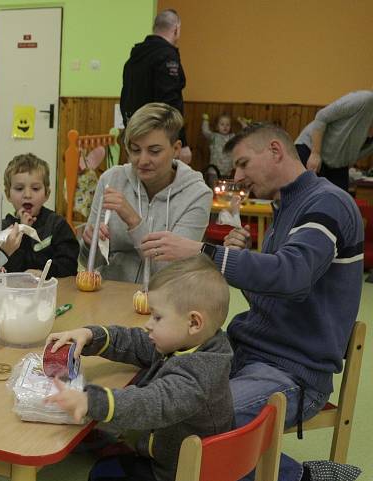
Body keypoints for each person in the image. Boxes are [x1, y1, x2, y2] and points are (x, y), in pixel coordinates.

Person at [140, 123, 364, 481]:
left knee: (191, 423)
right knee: (151, 393)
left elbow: (292, 276)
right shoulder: (286, 206)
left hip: (292, 369)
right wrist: (240, 262)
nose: (238, 176)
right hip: (248, 352)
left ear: (275, 150)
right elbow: (277, 296)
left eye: (243, 164)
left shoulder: (327, 203)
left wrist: (204, 251)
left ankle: (304, 477)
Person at [46, 255, 234, 481]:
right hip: (165, 456)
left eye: (157, 317)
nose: (148, 324)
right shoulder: (191, 343)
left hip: (178, 474)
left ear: (194, 323)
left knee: (99, 474)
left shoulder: (200, 374)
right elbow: (136, 342)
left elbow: (153, 403)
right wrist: (90, 335)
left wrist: (91, 401)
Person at [79, 103, 211, 283]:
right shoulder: (111, 180)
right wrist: (89, 244)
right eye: (135, 150)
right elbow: (90, 263)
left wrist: (133, 220)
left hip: (165, 301)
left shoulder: (197, 195)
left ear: (176, 149)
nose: (142, 160)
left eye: (154, 151)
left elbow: (169, 273)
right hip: (110, 294)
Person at [120, 9, 191, 164]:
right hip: (158, 141)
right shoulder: (166, 56)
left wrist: (129, 132)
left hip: (134, 136)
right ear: (176, 29)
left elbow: (125, 97)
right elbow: (170, 101)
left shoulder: (134, 58)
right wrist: (182, 142)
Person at [0, 153, 78, 278]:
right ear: (8, 194)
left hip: (51, 292)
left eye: (35, 188)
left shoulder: (57, 225)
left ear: (47, 193)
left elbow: (69, 266)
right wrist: (22, 230)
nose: (27, 194)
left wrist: (44, 274)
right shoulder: (2, 229)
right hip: (13, 295)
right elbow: (3, 269)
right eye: (19, 188)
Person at [295, 90, 373, 191]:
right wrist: (315, 153)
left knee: (340, 201)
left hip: (338, 163)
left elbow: (359, 152)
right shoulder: (365, 100)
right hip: (311, 149)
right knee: (305, 197)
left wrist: (347, 160)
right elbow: (322, 116)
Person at [201, 112, 235, 177]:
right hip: (214, 171)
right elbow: (205, 131)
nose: (225, 127)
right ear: (217, 126)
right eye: (222, 124)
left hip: (228, 171)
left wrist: (243, 124)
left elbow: (242, 137)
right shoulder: (214, 136)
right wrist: (205, 120)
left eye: (227, 125)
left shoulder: (232, 137)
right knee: (213, 186)